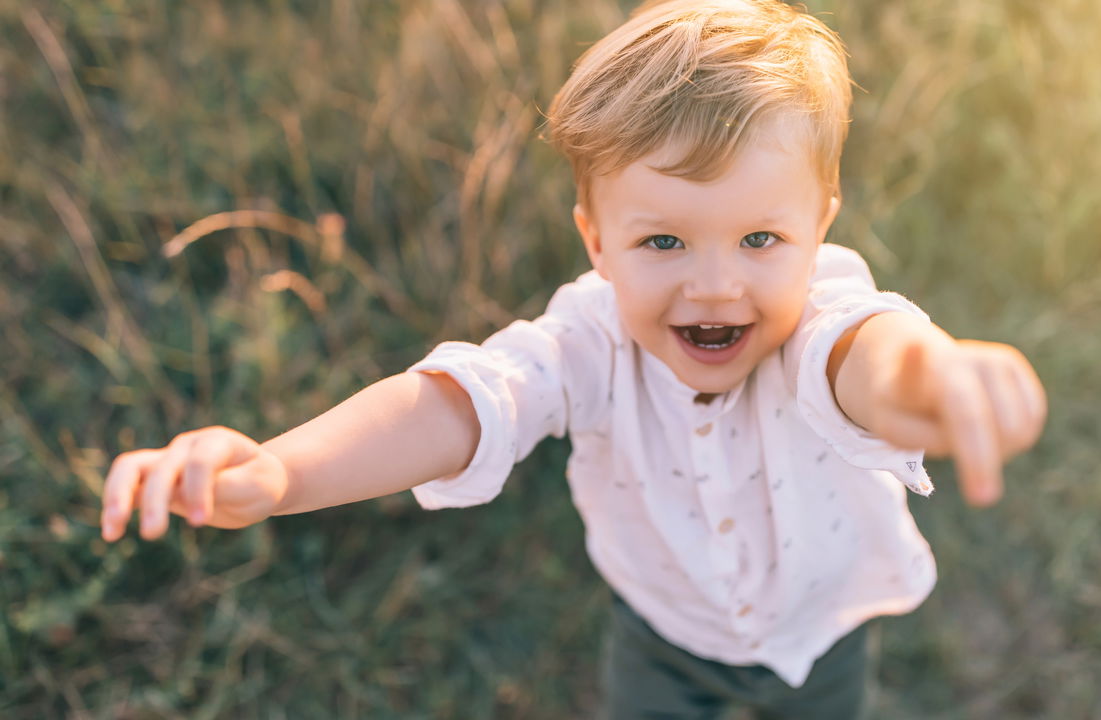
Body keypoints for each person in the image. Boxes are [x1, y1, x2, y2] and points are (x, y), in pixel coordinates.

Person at [98, 1, 1047, 717]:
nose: (714, 287)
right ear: (595, 241)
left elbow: (869, 353)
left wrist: (935, 376)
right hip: (660, 632)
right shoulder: (587, 340)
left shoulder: (818, 315)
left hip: (822, 626)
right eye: (663, 243)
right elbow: (460, 405)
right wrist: (279, 468)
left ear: (820, 221)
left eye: (761, 239)